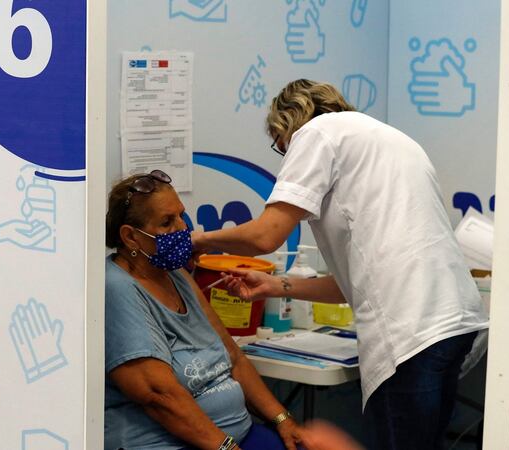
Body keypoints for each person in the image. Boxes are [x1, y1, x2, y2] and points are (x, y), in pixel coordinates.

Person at [193, 79, 489, 449]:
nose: (286, 157)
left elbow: (266, 236)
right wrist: (275, 285)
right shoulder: (392, 141)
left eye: (281, 146)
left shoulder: (316, 134)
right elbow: (358, 280)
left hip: (410, 333)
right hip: (453, 324)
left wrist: (198, 241)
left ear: (288, 125)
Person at [105, 171, 308, 450]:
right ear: (130, 237)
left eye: (181, 216)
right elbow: (158, 395)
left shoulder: (176, 275)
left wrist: (282, 419)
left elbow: (233, 357)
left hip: (236, 434)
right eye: (166, 222)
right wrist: (225, 447)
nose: (182, 229)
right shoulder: (117, 287)